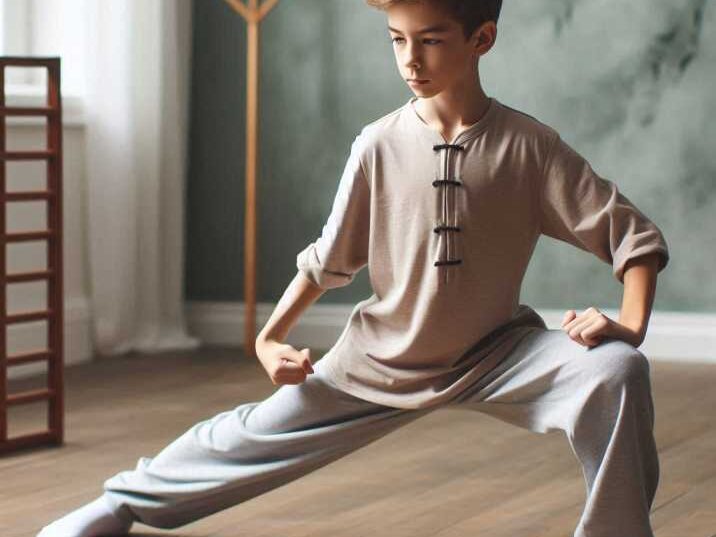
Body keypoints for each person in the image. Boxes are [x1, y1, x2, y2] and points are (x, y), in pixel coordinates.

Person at [37, 1, 670, 536]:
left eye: (429, 40)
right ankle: (119, 502)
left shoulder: (529, 148)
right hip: (379, 360)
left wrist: (630, 325)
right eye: (397, 41)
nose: (410, 60)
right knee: (244, 439)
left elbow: (630, 235)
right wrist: (268, 335)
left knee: (616, 371)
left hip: (496, 353)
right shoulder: (377, 145)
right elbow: (327, 259)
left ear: (482, 39)